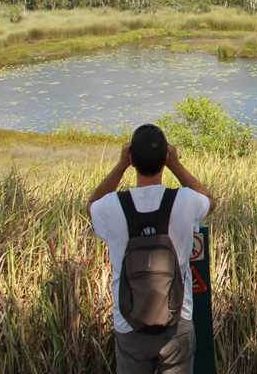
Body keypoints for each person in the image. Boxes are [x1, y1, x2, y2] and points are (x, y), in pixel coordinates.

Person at [87, 124, 215, 374]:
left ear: (132, 158)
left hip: (129, 325)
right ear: (166, 157)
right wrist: (175, 165)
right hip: (177, 321)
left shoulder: (112, 207)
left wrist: (121, 165)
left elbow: (91, 204)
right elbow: (210, 201)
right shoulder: (185, 201)